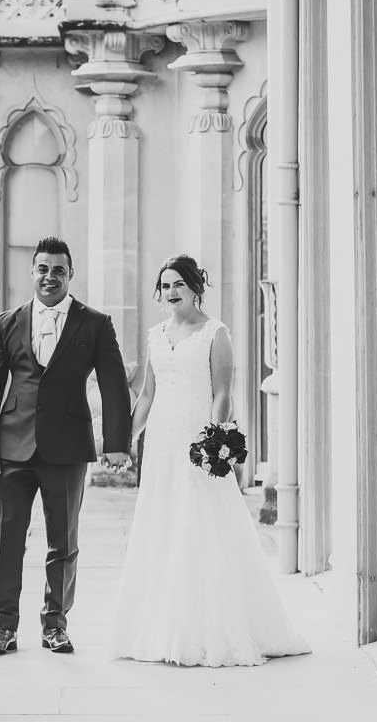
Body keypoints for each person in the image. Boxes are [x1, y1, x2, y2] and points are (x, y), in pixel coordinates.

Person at [110, 253, 310, 667]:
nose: (170, 292)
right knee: (163, 523)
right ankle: (161, 626)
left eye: (177, 284)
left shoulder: (215, 333)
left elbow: (223, 391)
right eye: (164, 285)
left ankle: (211, 627)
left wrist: (213, 439)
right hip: (162, 444)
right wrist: (126, 440)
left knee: (201, 525)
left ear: (194, 287)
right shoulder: (155, 335)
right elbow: (147, 395)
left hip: (196, 442)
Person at [0, 236, 131, 657]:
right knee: (7, 539)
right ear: (32, 272)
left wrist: (117, 443)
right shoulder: (7, 322)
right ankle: (3, 627)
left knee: (63, 541)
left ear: (70, 274)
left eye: (58, 270)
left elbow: (114, 385)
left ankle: (55, 625)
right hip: (11, 448)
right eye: (42, 268)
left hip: (67, 448)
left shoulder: (95, 323)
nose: (49, 277)